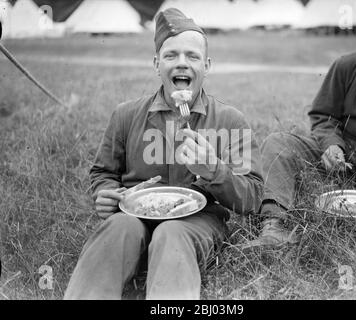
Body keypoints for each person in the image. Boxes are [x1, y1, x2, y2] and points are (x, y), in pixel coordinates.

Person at [64, 8, 264, 300]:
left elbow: (253, 197)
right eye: (171, 55)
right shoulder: (125, 115)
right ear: (156, 64)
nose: (182, 63)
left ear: (206, 66)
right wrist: (107, 193)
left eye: (192, 56)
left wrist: (214, 170)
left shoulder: (231, 121)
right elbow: (103, 173)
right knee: (118, 227)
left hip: (195, 225)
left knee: (171, 234)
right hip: (132, 216)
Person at [258, 5, 356, 246]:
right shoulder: (346, 66)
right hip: (340, 159)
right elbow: (323, 116)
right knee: (278, 143)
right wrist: (331, 146)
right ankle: (273, 227)